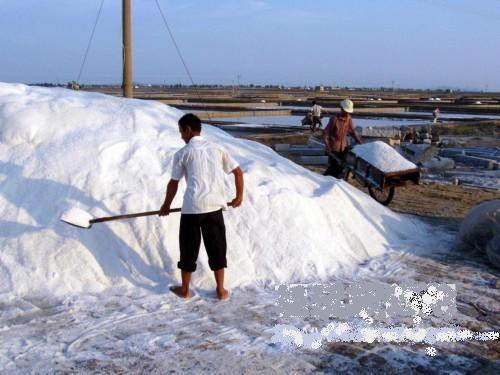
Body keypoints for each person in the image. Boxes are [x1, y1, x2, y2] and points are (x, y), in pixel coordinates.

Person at [159, 113, 244, 300]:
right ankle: (221, 290)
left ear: (188, 130)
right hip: (215, 206)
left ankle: (185, 290)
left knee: (188, 249)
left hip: (192, 208)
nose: (181, 136)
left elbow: (173, 183)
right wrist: (239, 196)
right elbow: (238, 172)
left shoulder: (183, 153)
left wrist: (166, 206)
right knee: (217, 248)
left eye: (181, 132)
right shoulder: (217, 148)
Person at [323, 99, 363, 178]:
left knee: (342, 166)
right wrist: (327, 145)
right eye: (346, 111)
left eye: (348, 112)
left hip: (343, 147)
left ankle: (334, 183)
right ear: (342, 109)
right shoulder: (334, 119)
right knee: (333, 167)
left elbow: (352, 132)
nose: (347, 113)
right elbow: (326, 133)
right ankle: (324, 180)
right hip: (334, 148)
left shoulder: (349, 119)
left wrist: (359, 142)